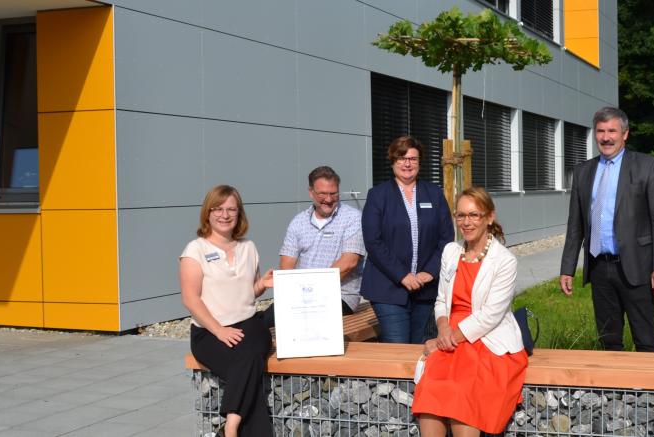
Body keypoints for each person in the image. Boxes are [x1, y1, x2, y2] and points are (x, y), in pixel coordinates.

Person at [412, 187, 528, 436]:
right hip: (450, 334)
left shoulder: (504, 260)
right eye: (461, 215)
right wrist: (443, 330)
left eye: (474, 215)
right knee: (431, 387)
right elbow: (442, 299)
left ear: (489, 217)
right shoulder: (451, 252)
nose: (466, 222)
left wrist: (447, 340)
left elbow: (490, 316)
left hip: (486, 338)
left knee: (464, 390)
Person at [558, 106, 654, 352]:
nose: (606, 137)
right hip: (599, 266)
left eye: (612, 130)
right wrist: (567, 267)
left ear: (625, 134)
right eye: (600, 131)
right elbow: (575, 224)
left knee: (644, 337)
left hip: (637, 266)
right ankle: (614, 390)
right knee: (608, 338)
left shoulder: (648, 166)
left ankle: (649, 388)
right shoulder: (583, 172)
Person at [180, 185, 274, 437]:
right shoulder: (195, 250)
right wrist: (219, 330)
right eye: (218, 209)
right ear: (207, 213)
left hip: (249, 325)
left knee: (250, 351)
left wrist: (261, 285)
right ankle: (231, 427)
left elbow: (245, 292)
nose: (224, 214)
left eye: (231, 209)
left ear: (239, 214)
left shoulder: (249, 248)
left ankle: (230, 426)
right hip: (209, 332)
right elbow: (190, 298)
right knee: (249, 360)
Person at [361, 136, 454, 344]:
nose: (407, 163)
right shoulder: (378, 195)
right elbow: (373, 241)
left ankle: (419, 378)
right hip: (388, 287)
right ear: (393, 161)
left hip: (426, 288)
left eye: (413, 158)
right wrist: (402, 275)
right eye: (401, 158)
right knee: (398, 345)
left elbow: (447, 239)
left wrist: (430, 271)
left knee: (421, 345)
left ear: (420, 162)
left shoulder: (434, 194)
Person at [262, 166, 365, 327]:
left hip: (338, 297)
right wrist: (296, 293)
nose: (329, 199)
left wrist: (310, 291)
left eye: (333, 193)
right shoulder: (299, 221)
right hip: (300, 294)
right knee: (262, 322)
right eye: (322, 194)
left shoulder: (353, 218)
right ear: (311, 193)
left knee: (293, 322)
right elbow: (286, 266)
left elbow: (349, 263)